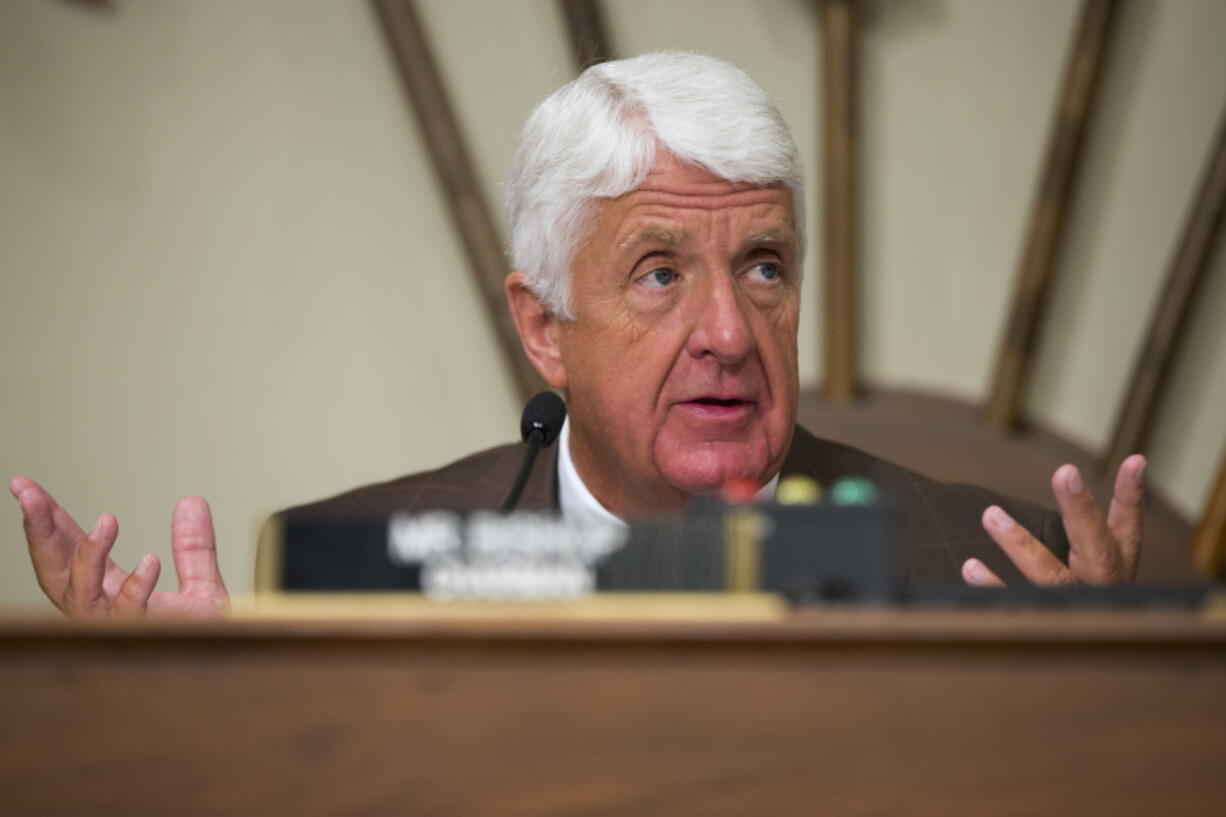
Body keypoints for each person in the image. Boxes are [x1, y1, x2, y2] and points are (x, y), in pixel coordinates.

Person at [9, 52, 1145, 618]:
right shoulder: (350, 575)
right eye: (658, 273)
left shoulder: (997, 574)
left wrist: (1099, 707)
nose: (727, 332)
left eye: (763, 267)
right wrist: (200, 722)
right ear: (541, 329)